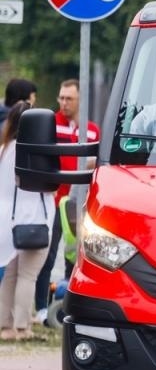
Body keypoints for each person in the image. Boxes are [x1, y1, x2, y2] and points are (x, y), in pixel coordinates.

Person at [38, 79, 99, 320]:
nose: (64, 103)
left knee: (73, 256)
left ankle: (69, 306)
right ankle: (41, 307)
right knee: (46, 254)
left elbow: (96, 159)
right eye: (61, 98)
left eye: (69, 98)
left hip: (78, 204)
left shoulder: (92, 130)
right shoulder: (51, 124)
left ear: (80, 100)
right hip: (54, 200)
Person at [0, 102, 51, 340]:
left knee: (10, 274)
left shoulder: (4, 149)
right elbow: (50, 185)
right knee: (28, 275)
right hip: (33, 219)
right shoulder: (37, 150)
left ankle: (5, 325)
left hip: (6, 220)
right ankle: (22, 327)